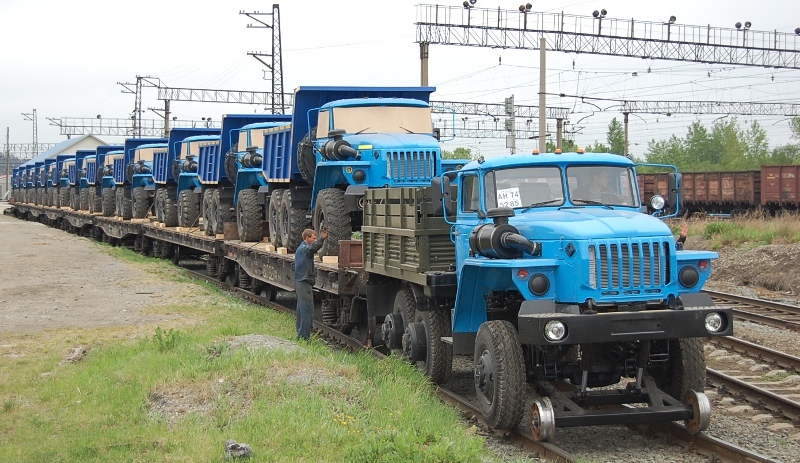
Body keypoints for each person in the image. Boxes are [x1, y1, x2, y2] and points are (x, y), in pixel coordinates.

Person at [294, 227, 328, 341]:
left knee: (301, 310)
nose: (315, 240)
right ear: (307, 238)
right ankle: (304, 337)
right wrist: (322, 239)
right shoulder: (304, 249)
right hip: (303, 282)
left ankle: (300, 334)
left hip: (302, 281)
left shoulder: (302, 249)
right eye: (314, 238)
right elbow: (312, 248)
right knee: (307, 311)